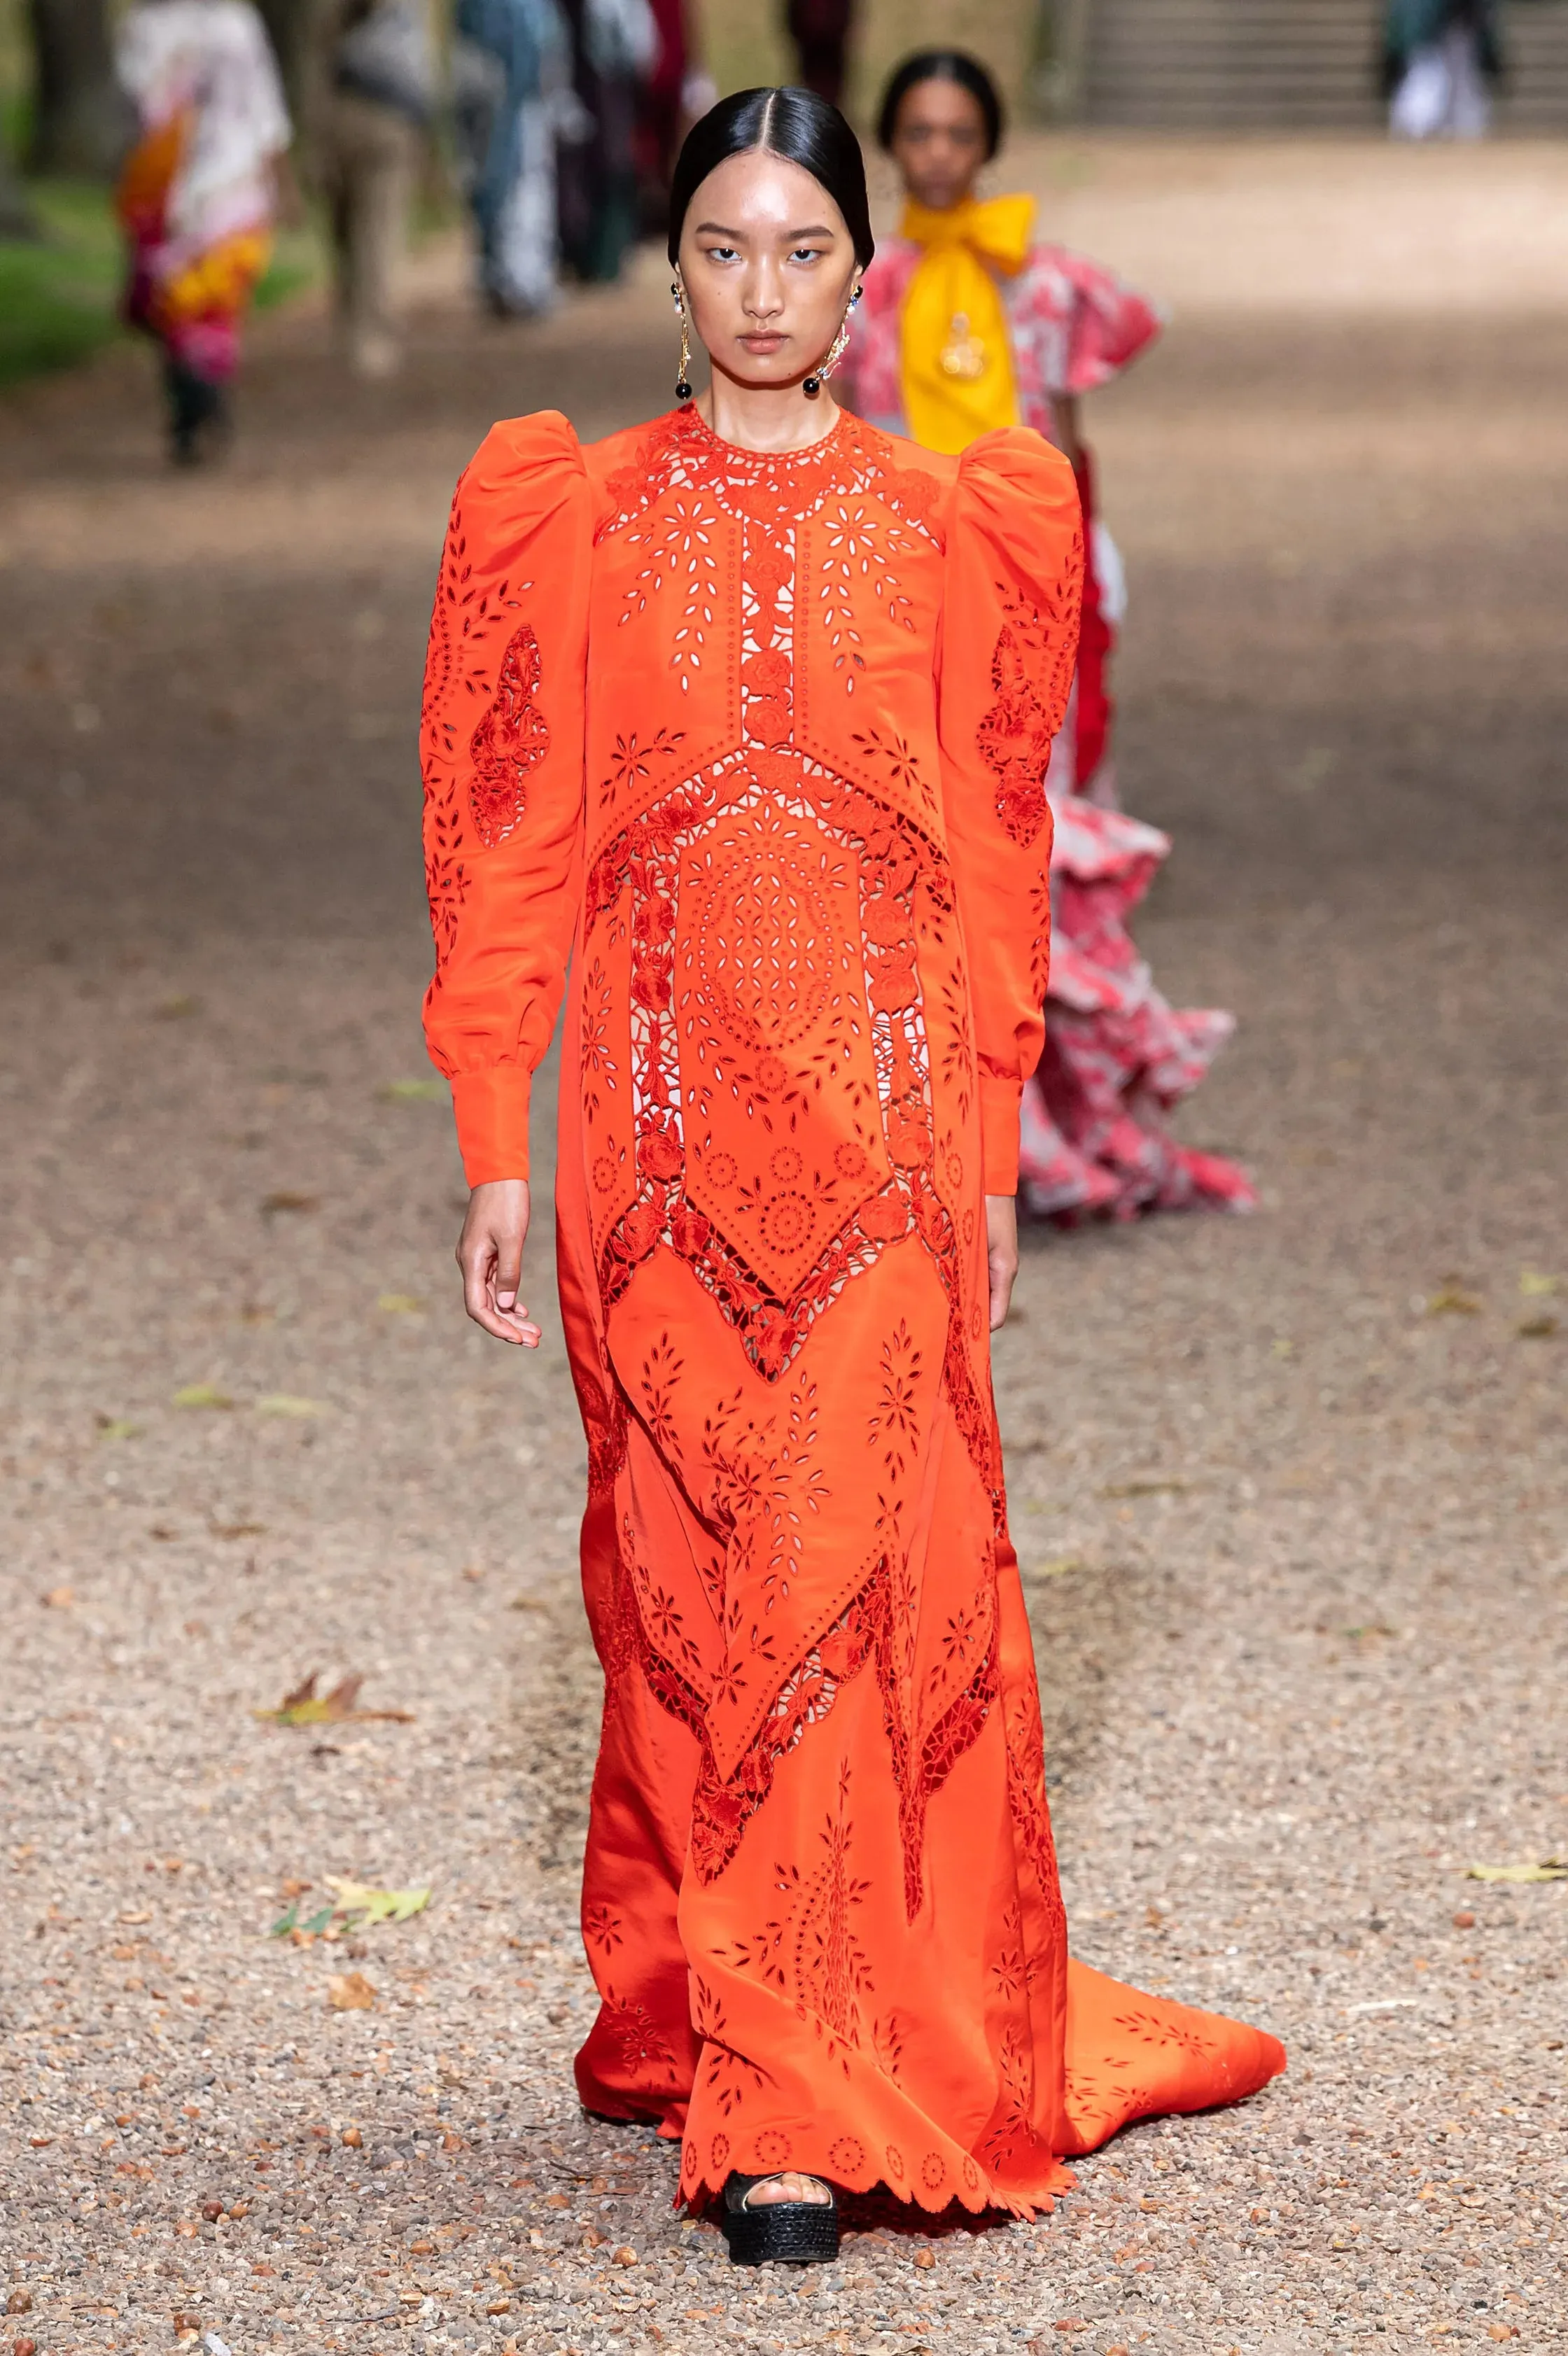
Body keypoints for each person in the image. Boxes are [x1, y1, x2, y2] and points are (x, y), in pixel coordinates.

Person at [419, 85, 1284, 2264]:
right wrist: (486, 1138)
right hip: (651, 1134)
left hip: (886, 1137)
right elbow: (507, 847)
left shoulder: (950, 524)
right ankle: (723, 2001)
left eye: (802, 250)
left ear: (856, 273)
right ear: (677, 265)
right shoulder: (569, 516)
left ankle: (792, 2104)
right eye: (723, 246)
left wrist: (990, 1146)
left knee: (839, 1577)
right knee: (692, 1591)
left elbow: (995, 870)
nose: (763, 288)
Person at [839, 50, 1257, 1220]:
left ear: (988, 143)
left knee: (1026, 851)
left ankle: (1049, 1125)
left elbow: (1069, 445)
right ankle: (917, 1134)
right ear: (891, 142)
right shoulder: (854, 294)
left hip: (1026, 596)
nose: (936, 153)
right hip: (897, 604)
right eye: (917, 132)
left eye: (957, 132)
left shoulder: (1052, 285)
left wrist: (1092, 559)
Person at [114, 0, 290, 464]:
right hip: (218, 185)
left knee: (186, 304)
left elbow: (136, 106)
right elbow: (266, 111)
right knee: (201, 305)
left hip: (185, 186)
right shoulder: (230, 25)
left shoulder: (151, 28)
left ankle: (195, 402)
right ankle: (202, 397)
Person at [309, 0, 435, 378]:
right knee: (365, 232)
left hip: (376, 120)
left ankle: (364, 332)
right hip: (371, 119)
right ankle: (365, 332)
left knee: (366, 232)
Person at [454, 0, 570, 316]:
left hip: (507, 99)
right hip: (511, 101)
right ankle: (518, 281)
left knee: (506, 188)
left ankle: (507, 276)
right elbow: (531, 44)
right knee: (518, 192)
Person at [557, 0, 660, 283]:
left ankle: (608, 257)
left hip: (609, 74)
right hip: (578, 73)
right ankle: (583, 255)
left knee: (613, 160)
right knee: (580, 162)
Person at [1383, 0, 1501, 138]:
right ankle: (1417, 126)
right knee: (1428, 79)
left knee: (1454, 84)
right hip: (1433, 34)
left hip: (1450, 30)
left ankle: (1426, 127)